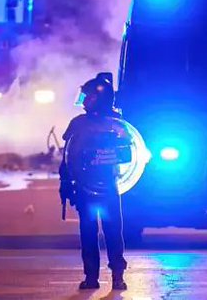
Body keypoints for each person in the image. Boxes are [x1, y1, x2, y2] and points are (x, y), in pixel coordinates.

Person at [59, 73, 130, 291]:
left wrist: (66, 181)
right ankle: (104, 277)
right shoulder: (111, 124)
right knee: (103, 232)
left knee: (100, 232)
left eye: (88, 96)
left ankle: (105, 277)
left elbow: (127, 155)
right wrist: (65, 182)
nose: (84, 100)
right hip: (97, 187)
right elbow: (69, 157)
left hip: (97, 186)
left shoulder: (113, 125)